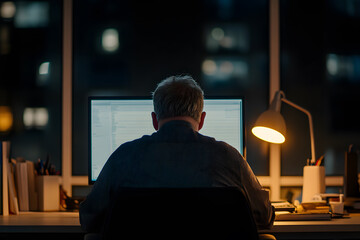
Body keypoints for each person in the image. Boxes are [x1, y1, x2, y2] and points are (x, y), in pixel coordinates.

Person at [79, 74, 275, 234]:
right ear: (202, 119)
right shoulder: (229, 157)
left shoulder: (123, 156)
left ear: (155, 120)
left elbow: (90, 218)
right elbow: (263, 215)